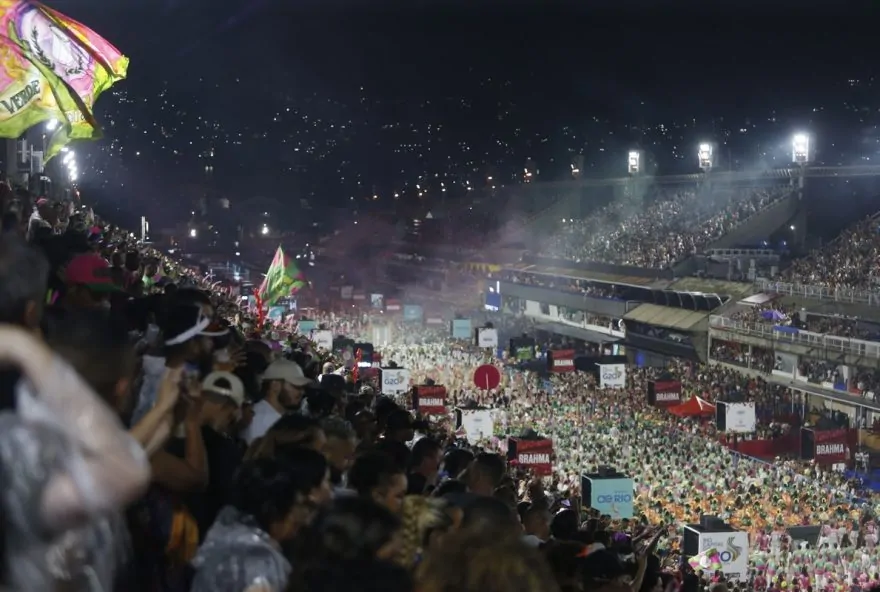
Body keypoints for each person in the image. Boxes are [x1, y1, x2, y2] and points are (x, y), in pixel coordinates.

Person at [190, 452, 329, 592]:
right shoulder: (260, 562)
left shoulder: (222, 535)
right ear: (274, 511)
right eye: (297, 506)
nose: (303, 520)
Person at [242, 359, 312, 444]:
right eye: (296, 386)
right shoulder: (259, 420)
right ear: (275, 385)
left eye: (303, 387)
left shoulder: (275, 417)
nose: (302, 392)